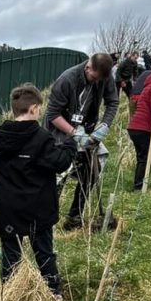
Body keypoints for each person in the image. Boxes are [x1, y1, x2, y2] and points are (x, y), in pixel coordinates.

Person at [0, 84, 75, 298]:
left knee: (10, 254)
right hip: (38, 208)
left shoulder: (0, 136)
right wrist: (70, 146)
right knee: (44, 252)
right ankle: (53, 293)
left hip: (8, 206)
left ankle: (8, 296)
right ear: (33, 109)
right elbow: (60, 163)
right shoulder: (40, 137)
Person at [43, 53, 119, 230]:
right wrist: (73, 132)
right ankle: (47, 218)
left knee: (92, 171)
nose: (96, 81)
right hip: (60, 133)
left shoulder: (104, 77)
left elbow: (113, 102)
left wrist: (105, 125)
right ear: (87, 68)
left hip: (89, 129)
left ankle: (74, 217)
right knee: (58, 176)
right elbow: (52, 114)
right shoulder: (67, 80)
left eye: (100, 79)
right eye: (94, 77)